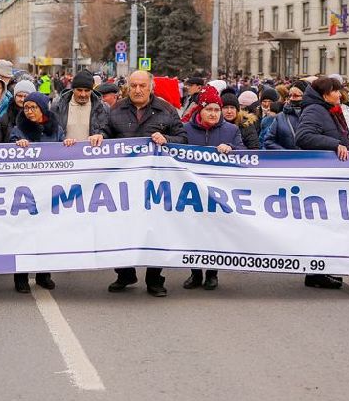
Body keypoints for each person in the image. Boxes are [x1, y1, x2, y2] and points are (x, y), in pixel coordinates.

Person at [103, 70, 184, 296]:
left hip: (155, 186)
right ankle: (125, 274)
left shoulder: (166, 110)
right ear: (127, 87)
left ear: (151, 88)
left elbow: (183, 139)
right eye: (133, 86)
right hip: (123, 185)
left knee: (154, 231)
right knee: (120, 229)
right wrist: (98, 135)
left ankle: (155, 280)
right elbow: (105, 134)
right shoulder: (116, 109)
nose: (137, 90)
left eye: (142, 86)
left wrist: (167, 139)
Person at [180, 86, 246, 291]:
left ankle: (212, 273)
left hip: (219, 192)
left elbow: (245, 152)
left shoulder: (231, 130)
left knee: (215, 232)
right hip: (191, 190)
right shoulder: (186, 129)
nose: (213, 114)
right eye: (209, 109)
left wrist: (232, 149)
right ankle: (195, 273)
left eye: (217, 110)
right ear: (200, 110)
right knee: (193, 232)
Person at [295, 76, 349, 290]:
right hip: (319, 177)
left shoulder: (329, 110)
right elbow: (303, 137)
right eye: (336, 91)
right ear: (324, 94)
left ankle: (321, 269)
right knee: (320, 225)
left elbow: (335, 136)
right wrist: (335, 144)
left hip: (331, 176)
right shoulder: (315, 110)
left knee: (329, 224)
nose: (340, 94)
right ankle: (315, 273)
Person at [9, 91, 63, 293]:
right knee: (24, 234)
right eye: (26, 108)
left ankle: (43, 274)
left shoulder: (55, 129)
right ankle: (21, 277)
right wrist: (17, 145)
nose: (29, 111)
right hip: (26, 190)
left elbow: (62, 152)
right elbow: (8, 154)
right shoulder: (19, 129)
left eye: (33, 107)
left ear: (43, 109)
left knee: (46, 234)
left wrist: (67, 145)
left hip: (48, 189)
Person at [52, 69, 109, 147]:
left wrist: (101, 135)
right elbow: (50, 133)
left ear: (92, 90)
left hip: (92, 156)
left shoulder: (103, 108)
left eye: (87, 90)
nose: (83, 94)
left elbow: (109, 131)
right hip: (65, 154)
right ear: (73, 89)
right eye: (79, 90)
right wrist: (62, 140)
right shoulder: (58, 106)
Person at [263, 84, 306, 150]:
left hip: (309, 159)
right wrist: (285, 153)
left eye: (296, 96)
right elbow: (268, 141)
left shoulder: (312, 115)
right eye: (290, 95)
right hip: (286, 159)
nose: (292, 98)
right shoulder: (280, 117)